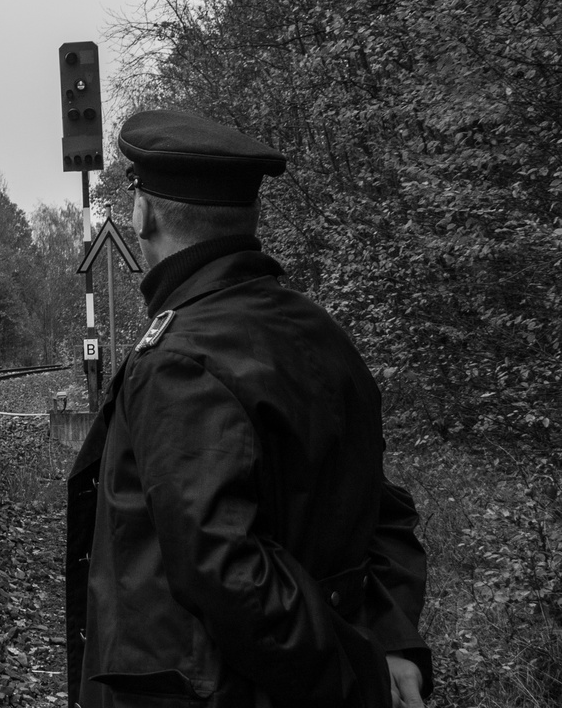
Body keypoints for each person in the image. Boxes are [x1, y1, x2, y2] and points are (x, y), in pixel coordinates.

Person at [64, 109, 432, 708]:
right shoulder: (324, 336)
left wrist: (360, 678)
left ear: (142, 213)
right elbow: (383, 515)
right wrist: (391, 639)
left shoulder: (178, 361)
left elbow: (230, 574)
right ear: (250, 217)